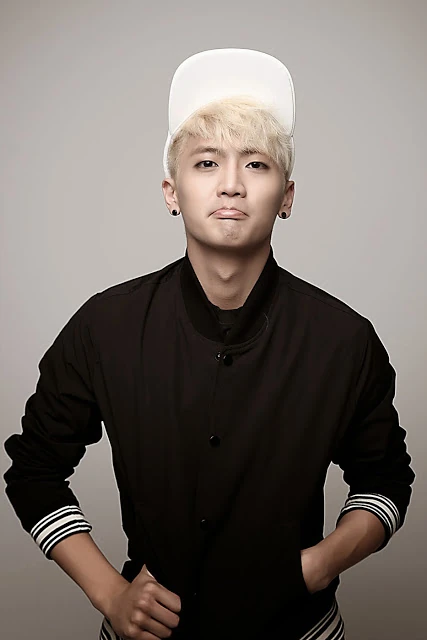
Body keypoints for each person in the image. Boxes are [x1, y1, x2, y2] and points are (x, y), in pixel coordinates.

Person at [3, 48, 415, 640]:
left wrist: (316, 566)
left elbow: (384, 481)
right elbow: (33, 470)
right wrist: (111, 594)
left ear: (287, 196)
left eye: (256, 164)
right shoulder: (105, 327)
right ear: (171, 191)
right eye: (205, 163)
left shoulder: (343, 340)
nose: (230, 185)